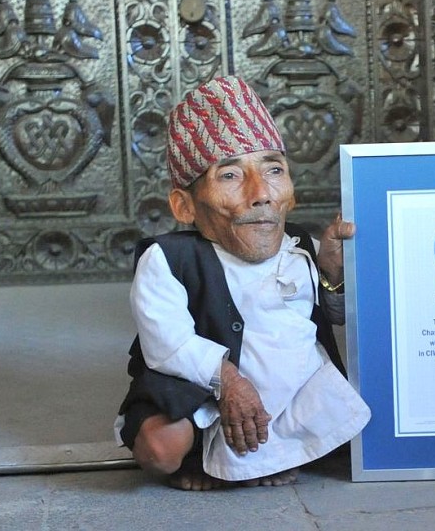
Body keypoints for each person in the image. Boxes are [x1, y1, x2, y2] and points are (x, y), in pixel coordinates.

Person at [114, 76, 370, 490]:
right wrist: (228, 381)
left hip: (291, 386)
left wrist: (333, 275)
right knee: (161, 447)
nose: (260, 194)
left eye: (273, 170)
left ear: (290, 192)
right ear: (185, 206)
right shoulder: (167, 260)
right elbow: (167, 345)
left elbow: (335, 317)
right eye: (230, 176)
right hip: (204, 387)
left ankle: (269, 453)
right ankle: (199, 458)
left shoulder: (303, 245)